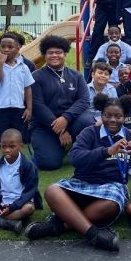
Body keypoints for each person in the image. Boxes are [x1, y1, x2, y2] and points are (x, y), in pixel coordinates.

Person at [25, 94, 131, 251]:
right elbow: (75, 158)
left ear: (125, 117)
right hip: (83, 183)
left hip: (111, 187)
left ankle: (59, 225)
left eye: (118, 116)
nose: (113, 120)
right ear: (101, 114)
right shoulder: (89, 132)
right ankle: (94, 234)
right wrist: (106, 151)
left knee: (113, 203)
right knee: (52, 191)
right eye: (107, 115)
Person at [30, 35, 94, 170]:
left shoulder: (76, 75)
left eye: (58, 52)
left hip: (72, 121)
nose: (54, 56)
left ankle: (79, 148)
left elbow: (84, 100)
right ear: (44, 55)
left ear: (65, 54)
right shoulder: (36, 76)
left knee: (87, 120)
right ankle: (59, 146)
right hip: (45, 125)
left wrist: (66, 118)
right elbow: (37, 106)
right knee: (49, 163)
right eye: (50, 53)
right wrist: (60, 130)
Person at [0, 32, 34, 162]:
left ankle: (18, 163)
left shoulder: (24, 67)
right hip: (0, 109)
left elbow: (28, 88)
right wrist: (0, 64)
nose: (6, 49)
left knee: (18, 137)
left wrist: (29, 108)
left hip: (18, 108)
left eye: (10, 47)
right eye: (3, 47)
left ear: (18, 48)